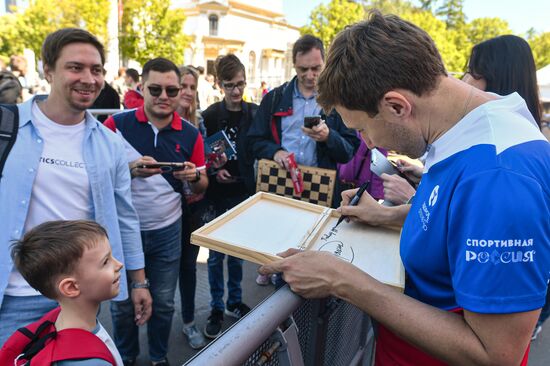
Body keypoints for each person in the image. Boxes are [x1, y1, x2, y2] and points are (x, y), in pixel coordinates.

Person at [259, 11, 550, 366]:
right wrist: (387, 215)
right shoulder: (467, 124)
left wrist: (343, 280)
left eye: (363, 129)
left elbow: (496, 354)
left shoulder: (498, 176)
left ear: (397, 106)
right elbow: (456, 217)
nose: (366, 143)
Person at [0, 27, 151, 346]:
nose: (89, 78)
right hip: (12, 297)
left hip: (78, 300)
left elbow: (125, 218)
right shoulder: (6, 128)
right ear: (48, 69)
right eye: (75, 67)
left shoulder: (110, 144)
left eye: (96, 70)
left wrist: (139, 283)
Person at [104, 57, 207, 365]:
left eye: (172, 90)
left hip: (167, 230)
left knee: (163, 303)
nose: (164, 96)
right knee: (121, 303)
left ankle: (159, 357)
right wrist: (130, 170)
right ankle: (126, 357)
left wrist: (194, 177)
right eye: (156, 89)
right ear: (142, 88)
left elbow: (203, 185)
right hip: (123, 232)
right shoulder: (115, 125)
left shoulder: (191, 133)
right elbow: (97, 177)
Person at [247, 34, 359, 208]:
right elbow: (253, 141)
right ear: (294, 66)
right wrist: (275, 152)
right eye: (302, 69)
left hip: (321, 184)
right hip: (279, 180)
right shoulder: (274, 98)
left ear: (325, 63)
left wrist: (328, 137)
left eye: (315, 68)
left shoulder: (338, 101)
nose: (309, 75)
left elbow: (349, 151)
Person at [4, 220, 124, 365]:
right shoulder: (87, 362)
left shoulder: (56, 323)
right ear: (71, 288)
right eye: (105, 262)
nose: (119, 264)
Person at [201, 54, 258, 339]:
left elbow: (262, 148)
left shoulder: (255, 112)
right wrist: (214, 171)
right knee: (215, 257)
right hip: (218, 195)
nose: (236, 91)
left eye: (240, 84)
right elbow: (204, 156)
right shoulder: (210, 115)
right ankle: (216, 306)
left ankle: (234, 301)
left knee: (237, 255)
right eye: (229, 85)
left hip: (244, 192)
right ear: (218, 84)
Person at [174, 65, 211, 350]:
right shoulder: (163, 122)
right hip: (167, 208)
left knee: (188, 266)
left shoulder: (198, 121)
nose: (187, 92)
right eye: (182, 86)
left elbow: (205, 164)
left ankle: (188, 321)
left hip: (194, 207)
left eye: (191, 87)